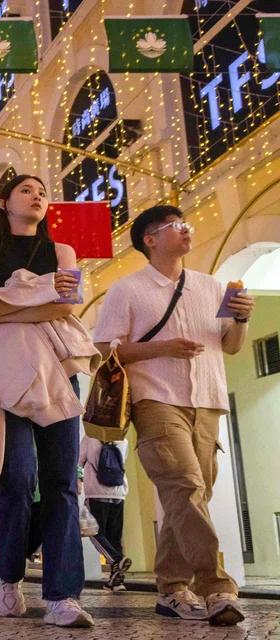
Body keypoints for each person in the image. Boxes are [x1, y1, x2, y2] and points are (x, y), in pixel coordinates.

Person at [93, 205, 254, 626]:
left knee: (192, 496)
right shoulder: (126, 290)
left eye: (186, 225)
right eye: (176, 226)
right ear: (150, 238)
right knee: (185, 487)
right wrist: (161, 348)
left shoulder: (210, 285)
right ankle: (217, 587)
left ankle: (171, 588)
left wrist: (241, 317)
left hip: (208, 400)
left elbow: (232, 345)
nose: (187, 231)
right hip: (156, 400)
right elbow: (104, 350)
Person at [0, 174, 95, 627]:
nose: (37, 196)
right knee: (16, 478)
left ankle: (62, 595)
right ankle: (9, 574)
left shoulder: (62, 252)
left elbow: (67, 306)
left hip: (56, 370)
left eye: (41, 192)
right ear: (4, 202)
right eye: (25, 190)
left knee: (62, 482)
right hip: (3, 372)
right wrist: (38, 299)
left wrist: (9, 303)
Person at [78, 436, 130, 591]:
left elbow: (79, 461)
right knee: (115, 537)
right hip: (118, 492)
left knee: (94, 532)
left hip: (96, 491)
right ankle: (117, 582)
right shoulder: (123, 440)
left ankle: (116, 560)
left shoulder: (89, 438)